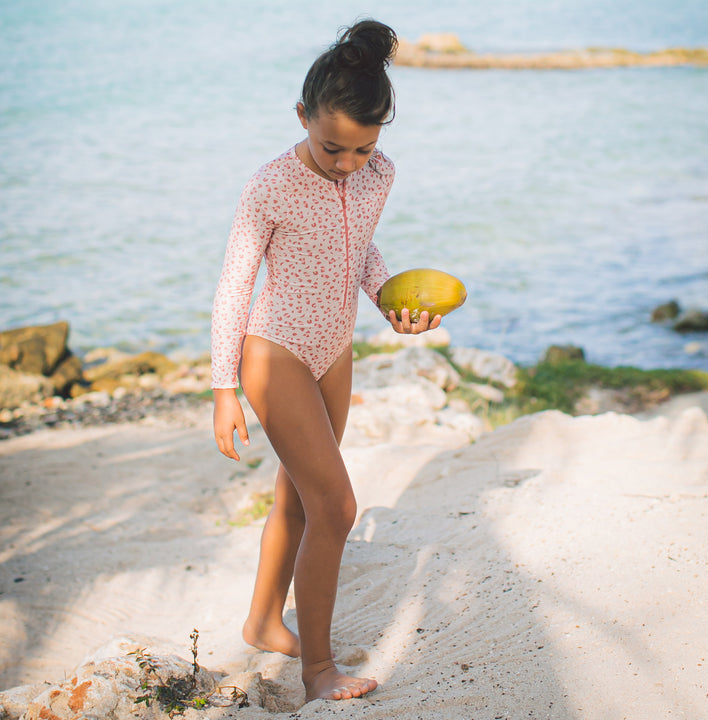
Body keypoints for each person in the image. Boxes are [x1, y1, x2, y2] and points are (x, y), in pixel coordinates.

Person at [210, 19, 442, 702]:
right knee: (337, 506)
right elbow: (234, 285)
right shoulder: (269, 185)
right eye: (332, 147)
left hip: (333, 350)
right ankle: (317, 672)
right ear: (303, 116)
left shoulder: (380, 175)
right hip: (274, 350)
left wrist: (392, 303)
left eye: (363, 149)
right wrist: (224, 388)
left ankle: (261, 620)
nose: (347, 164)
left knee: (301, 498)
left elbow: (361, 253)